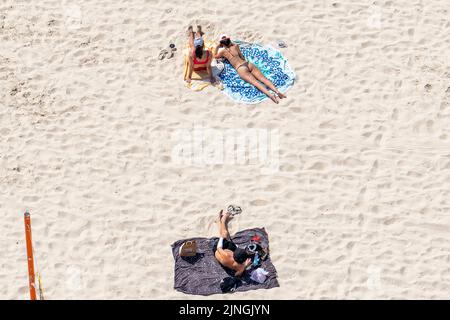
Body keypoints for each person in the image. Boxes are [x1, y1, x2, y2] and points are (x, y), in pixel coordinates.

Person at [214, 34, 286, 104]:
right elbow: (242, 57)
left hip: (240, 68)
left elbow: (215, 56)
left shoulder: (222, 52)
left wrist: (217, 46)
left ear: (221, 43)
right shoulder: (236, 46)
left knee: (256, 83)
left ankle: (271, 95)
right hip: (248, 64)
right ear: (229, 40)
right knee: (264, 79)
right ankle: (277, 91)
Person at [214, 210, 253, 277]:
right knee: (226, 235)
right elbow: (237, 274)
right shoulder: (240, 266)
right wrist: (245, 266)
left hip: (219, 250)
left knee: (224, 234)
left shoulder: (227, 255)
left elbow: (218, 248)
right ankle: (221, 221)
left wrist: (221, 237)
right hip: (222, 249)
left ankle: (220, 221)